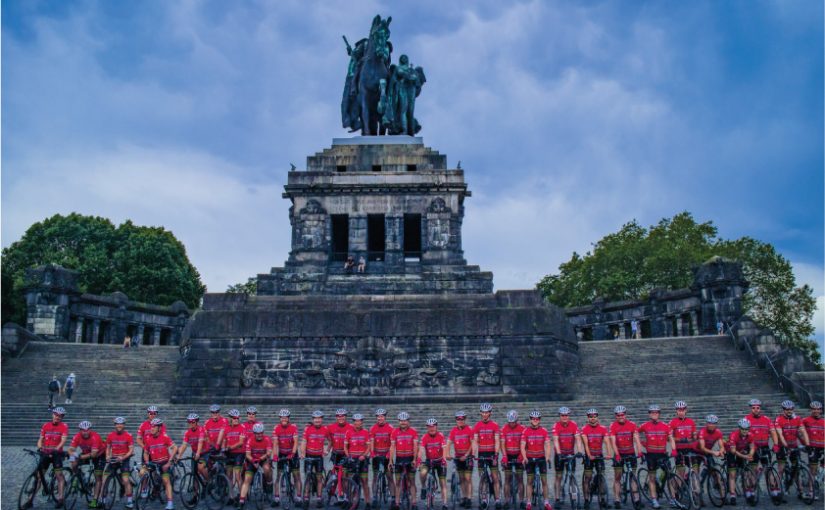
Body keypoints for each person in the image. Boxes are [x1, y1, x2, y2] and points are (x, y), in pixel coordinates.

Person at [637, 405, 676, 510]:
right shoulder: (644, 425)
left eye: (656, 412)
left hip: (663, 455)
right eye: (652, 412)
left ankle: (673, 498)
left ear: (659, 414)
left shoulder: (665, 426)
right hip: (651, 456)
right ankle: (654, 500)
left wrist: (674, 449)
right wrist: (640, 445)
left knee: (670, 477)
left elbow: (671, 439)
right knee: (652, 478)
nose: (654, 414)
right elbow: (635, 433)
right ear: (649, 414)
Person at [608, 406, 642, 509]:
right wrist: (617, 454)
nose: (620, 417)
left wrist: (640, 451)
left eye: (622, 414)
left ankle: (636, 499)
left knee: (633, 477)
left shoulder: (632, 425)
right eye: (618, 415)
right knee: (617, 477)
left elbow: (636, 439)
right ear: (616, 416)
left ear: (625, 414)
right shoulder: (613, 425)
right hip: (619, 454)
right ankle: (617, 499)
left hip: (630, 453)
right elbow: (613, 442)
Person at [140, 418, 177, 510]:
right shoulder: (148, 439)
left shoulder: (165, 437)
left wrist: (169, 462)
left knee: (165, 480)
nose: (151, 428)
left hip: (164, 463)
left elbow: (175, 448)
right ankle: (145, 489)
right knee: (142, 472)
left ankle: (170, 503)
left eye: (154, 426)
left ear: (159, 428)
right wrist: (147, 462)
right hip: (153, 463)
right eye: (151, 426)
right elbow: (145, 452)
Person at [774, 400, 809, 495]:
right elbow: (780, 435)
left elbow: (803, 432)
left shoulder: (797, 418)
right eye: (787, 409)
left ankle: (800, 490)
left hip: (794, 445)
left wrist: (807, 444)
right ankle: (776, 490)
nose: (789, 411)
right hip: (782, 446)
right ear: (783, 410)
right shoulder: (778, 419)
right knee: (781, 469)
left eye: (791, 409)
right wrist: (786, 446)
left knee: (796, 468)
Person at [68, 420, 105, 508]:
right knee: (73, 462)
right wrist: (73, 455)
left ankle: (95, 500)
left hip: (99, 454)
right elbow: (70, 449)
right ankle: (79, 476)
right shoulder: (77, 436)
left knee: (98, 477)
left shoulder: (95, 437)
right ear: (80, 430)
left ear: (90, 430)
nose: (85, 432)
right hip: (86, 453)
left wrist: (79, 456)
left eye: (87, 430)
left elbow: (93, 454)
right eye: (83, 430)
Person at [519, 410, 552, 510]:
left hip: (541, 458)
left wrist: (547, 457)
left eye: (537, 419)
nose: (535, 420)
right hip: (530, 459)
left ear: (539, 420)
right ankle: (528, 502)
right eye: (533, 419)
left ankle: (546, 502)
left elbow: (547, 445)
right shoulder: (525, 431)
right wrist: (524, 458)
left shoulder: (544, 431)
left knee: (544, 481)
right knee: (529, 481)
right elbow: (522, 446)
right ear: (530, 420)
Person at [38, 407, 69, 508]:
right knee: (39, 476)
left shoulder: (64, 426)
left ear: (62, 417)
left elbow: (63, 440)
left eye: (60, 416)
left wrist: (56, 449)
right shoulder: (46, 425)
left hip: (56, 454)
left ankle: (60, 498)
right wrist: (39, 447)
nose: (57, 417)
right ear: (52, 415)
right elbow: (40, 439)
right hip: (46, 453)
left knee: (59, 475)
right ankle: (30, 499)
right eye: (56, 415)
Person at [581, 409, 612, 510]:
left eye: (594, 416)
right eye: (590, 416)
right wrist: (589, 455)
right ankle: (586, 499)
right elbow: (585, 444)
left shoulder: (603, 429)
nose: (592, 418)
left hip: (599, 455)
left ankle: (602, 499)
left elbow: (607, 442)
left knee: (601, 477)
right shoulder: (584, 429)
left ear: (597, 417)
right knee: (587, 478)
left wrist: (609, 453)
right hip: (589, 456)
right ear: (588, 418)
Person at [473, 403, 502, 509]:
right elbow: (475, 441)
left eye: (487, 412)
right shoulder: (477, 426)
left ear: (490, 413)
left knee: (495, 478)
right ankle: (484, 499)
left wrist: (496, 454)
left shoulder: (495, 425)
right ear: (481, 413)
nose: (485, 414)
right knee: (483, 477)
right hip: (481, 454)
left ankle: (498, 500)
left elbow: (497, 441)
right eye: (483, 412)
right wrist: (473, 454)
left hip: (492, 454)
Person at [552, 407, 581, 508]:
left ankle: (574, 497)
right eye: (562, 415)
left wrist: (580, 451)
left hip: (570, 453)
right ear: (560, 416)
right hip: (560, 454)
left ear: (569, 416)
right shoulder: (556, 425)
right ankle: (557, 498)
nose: (564, 417)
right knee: (558, 476)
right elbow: (555, 440)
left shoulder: (574, 425)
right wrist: (559, 454)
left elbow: (577, 438)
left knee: (571, 475)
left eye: (566, 415)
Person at [300, 410, 330, 509]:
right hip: (309, 456)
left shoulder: (325, 429)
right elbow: (304, 442)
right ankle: (306, 497)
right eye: (315, 419)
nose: (317, 420)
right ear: (313, 420)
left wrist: (327, 450)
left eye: (319, 418)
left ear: (321, 420)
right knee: (308, 477)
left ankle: (319, 498)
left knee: (319, 478)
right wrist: (302, 453)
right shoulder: (308, 429)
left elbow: (331, 441)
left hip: (318, 457)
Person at [240, 423, 273, 508]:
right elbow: (247, 454)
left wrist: (260, 459)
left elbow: (269, 453)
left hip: (263, 459)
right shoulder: (250, 440)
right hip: (252, 460)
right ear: (254, 433)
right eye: (257, 433)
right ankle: (241, 500)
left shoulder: (267, 439)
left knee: (266, 468)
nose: (259, 435)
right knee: (247, 479)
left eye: (261, 433)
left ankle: (268, 485)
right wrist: (253, 460)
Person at [390, 411, 419, 510]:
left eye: (405, 421)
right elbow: (392, 447)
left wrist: (415, 459)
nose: (403, 422)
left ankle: (414, 503)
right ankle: (397, 503)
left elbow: (415, 447)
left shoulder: (413, 431)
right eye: (401, 421)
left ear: (408, 421)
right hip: (399, 458)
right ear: (399, 421)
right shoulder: (394, 432)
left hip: (410, 458)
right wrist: (390, 460)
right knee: (397, 482)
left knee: (412, 482)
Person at [419, 418, 449, 510]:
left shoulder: (441, 436)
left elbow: (444, 448)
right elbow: (421, 449)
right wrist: (420, 459)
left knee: (443, 483)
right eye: (429, 426)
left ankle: (445, 503)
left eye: (433, 426)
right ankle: (424, 487)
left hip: (439, 460)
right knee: (422, 472)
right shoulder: (424, 437)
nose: (432, 428)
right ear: (427, 427)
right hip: (429, 460)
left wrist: (444, 459)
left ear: (436, 426)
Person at [105, 417, 135, 509]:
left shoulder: (128, 435)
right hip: (114, 459)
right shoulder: (110, 435)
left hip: (124, 458)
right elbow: (108, 447)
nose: (119, 425)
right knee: (104, 479)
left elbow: (131, 450)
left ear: (124, 425)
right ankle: (103, 499)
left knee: (125, 480)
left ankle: (130, 501)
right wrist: (107, 456)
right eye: (117, 424)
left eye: (121, 424)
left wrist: (123, 457)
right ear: (115, 425)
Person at [273, 409, 301, 507]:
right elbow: (275, 444)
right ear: (280, 418)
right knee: (278, 476)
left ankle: (298, 497)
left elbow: (296, 442)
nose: (284, 419)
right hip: (282, 453)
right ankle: (276, 498)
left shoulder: (293, 428)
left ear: (288, 418)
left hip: (292, 453)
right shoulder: (276, 428)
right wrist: (275, 455)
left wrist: (293, 453)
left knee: (296, 475)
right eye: (282, 418)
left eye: (286, 418)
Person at [447, 410, 473, 509]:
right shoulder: (453, 430)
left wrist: (466, 455)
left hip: (467, 457)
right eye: (458, 419)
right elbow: (448, 443)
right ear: (456, 420)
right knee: (462, 479)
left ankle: (469, 499)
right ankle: (465, 497)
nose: (460, 420)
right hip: (458, 457)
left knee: (468, 479)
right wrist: (447, 454)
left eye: (462, 419)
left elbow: (472, 444)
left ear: (465, 419)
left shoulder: (469, 429)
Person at [727, 419, 756, 505]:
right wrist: (745, 456)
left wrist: (750, 455)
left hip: (742, 452)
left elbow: (752, 448)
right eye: (743, 429)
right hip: (732, 452)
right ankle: (732, 495)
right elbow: (733, 451)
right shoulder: (733, 435)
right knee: (732, 474)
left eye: (746, 429)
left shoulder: (750, 435)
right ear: (739, 428)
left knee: (747, 473)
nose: (745, 431)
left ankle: (748, 492)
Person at [176, 414, 208, 492]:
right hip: (194, 453)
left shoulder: (201, 430)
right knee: (194, 473)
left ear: (197, 422)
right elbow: (184, 445)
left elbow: (200, 443)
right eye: (189, 422)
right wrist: (179, 456)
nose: (190, 423)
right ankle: (195, 494)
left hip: (204, 452)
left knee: (200, 468)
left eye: (192, 422)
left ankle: (208, 481)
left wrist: (198, 454)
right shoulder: (187, 433)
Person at [346, 414, 372, 509]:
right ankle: (351, 500)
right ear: (353, 422)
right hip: (352, 459)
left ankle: (368, 501)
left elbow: (368, 447)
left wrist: (364, 455)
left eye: (359, 421)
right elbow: (346, 446)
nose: (358, 423)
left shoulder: (366, 432)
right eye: (356, 421)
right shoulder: (348, 432)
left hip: (362, 459)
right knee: (351, 481)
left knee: (364, 481)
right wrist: (348, 456)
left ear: (362, 422)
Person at [501, 410, 526, 509]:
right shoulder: (503, 429)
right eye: (510, 422)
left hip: (518, 455)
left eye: (514, 422)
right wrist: (504, 456)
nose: (512, 424)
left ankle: (521, 501)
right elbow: (502, 444)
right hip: (508, 455)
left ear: (517, 420)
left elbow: (525, 444)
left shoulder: (522, 429)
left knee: (520, 479)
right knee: (507, 479)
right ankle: (507, 501)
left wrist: (521, 455)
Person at [371, 408, 396, 505]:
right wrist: (372, 453)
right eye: (378, 416)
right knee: (375, 477)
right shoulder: (373, 428)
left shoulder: (390, 428)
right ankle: (374, 497)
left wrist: (389, 454)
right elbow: (372, 441)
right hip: (377, 456)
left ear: (385, 417)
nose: (379, 418)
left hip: (387, 456)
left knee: (389, 477)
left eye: (381, 416)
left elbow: (392, 444)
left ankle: (393, 498)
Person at [669, 401, 700, 478]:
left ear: (686, 410)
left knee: (695, 471)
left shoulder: (691, 422)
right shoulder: (672, 422)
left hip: (690, 450)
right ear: (676, 411)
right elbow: (668, 438)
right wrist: (682, 439)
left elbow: (694, 436)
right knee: (681, 475)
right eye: (679, 410)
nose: (681, 412)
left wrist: (695, 436)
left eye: (683, 410)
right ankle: (679, 488)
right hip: (679, 450)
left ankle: (695, 488)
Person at [224, 409, 248, 505]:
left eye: (238, 418)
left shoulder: (242, 427)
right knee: (229, 475)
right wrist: (224, 447)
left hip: (239, 453)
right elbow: (225, 441)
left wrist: (229, 447)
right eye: (234, 418)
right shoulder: (226, 428)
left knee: (237, 475)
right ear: (230, 419)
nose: (236, 420)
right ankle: (231, 496)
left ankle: (241, 497)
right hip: (229, 453)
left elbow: (241, 443)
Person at [802, 401, 823, 476]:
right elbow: (799, 431)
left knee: (822, 467)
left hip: (823, 447)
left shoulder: (823, 421)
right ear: (811, 410)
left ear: (821, 410)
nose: (816, 411)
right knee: (813, 469)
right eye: (814, 409)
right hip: (812, 448)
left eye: (818, 409)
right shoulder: (805, 420)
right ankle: (811, 487)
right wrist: (804, 442)